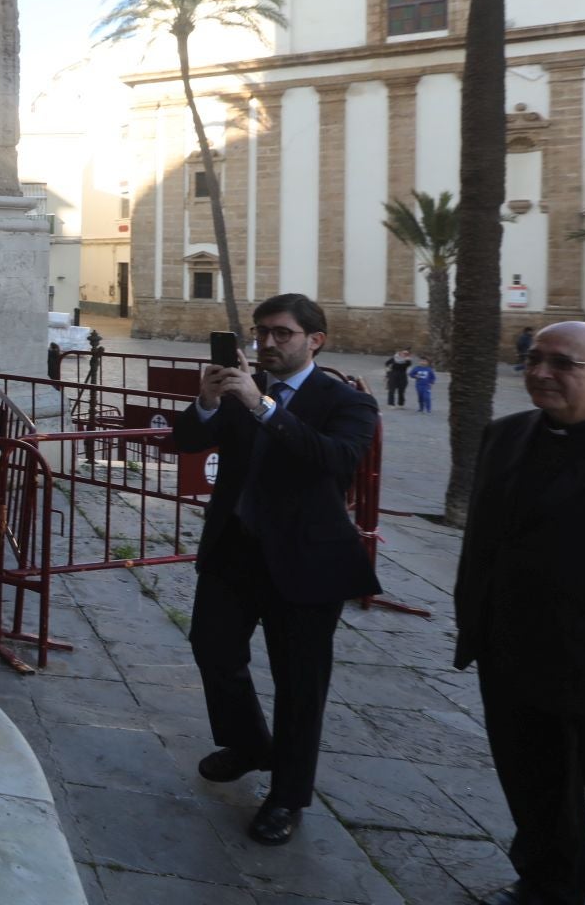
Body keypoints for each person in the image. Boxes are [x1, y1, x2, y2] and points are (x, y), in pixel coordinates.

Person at [170, 294, 379, 848]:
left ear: (316, 339)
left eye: (281, 334)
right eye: (262, 333)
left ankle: (287, 796)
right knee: (212, 650)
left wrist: (265, 408)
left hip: (306, 560)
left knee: (301, 683)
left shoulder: (347, 401)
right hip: (234, 552)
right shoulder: (238, 391)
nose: (266, 344)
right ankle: (248, 745)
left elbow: (335, 460)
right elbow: (185, 441)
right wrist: (209, 403)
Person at [453, 321, 585, 905]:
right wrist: (477, 626)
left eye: (563, 363)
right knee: (535, 786)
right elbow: (482, 544)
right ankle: (546, 886)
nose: (540, 373)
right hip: (514, 651)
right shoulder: (506, 434)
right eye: (534, 359)